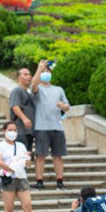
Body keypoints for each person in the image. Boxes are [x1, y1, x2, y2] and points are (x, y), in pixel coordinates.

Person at [0, 121, 44, 212]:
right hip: (8, 178)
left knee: (27, 205)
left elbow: (28, 164)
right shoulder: (0, 145)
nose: (13, 132)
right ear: (4, 131)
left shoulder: (21, 145)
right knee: (9, 208)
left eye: (15, 130)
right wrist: (11, 169)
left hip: (21, 177)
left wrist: (28, 158)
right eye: (10, 130)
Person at [30, 60, 70, 190]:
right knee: (40, 156)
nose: (46, 73)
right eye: (44, 71)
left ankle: (59, 181)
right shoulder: (38, 89)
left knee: (58, 156)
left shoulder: (58, 89)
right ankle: (39, 181)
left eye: (48, 71)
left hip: (57, 126)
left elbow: (67, 106)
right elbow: (33, 85)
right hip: (41, 127)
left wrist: (63, 106)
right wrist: (39, 69)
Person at [9, 68, 36, 157]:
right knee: (20, 156)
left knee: (27, 156)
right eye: (25, 74)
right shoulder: (17, 91)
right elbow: (15, 106)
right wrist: (24, 119)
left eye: (29, 74)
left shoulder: (28, 93)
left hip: (29, 131)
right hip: (20, 130)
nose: (28, 76)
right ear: (18, 77)